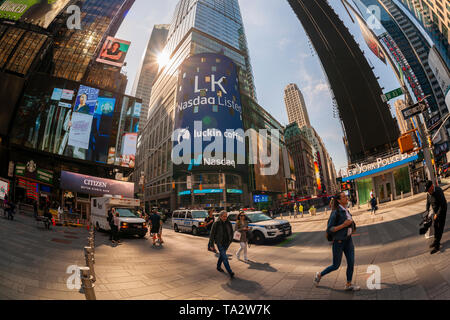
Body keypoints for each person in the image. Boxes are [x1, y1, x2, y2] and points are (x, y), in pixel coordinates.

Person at [314, 192, 360, 291]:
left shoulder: (346, 210)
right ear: (339, 200)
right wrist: (343, 225)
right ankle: (320, 274)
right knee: (335, 265)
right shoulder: (336, 212)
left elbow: (350, 222)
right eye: (343, 197)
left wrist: (352, 228)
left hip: (348, 240)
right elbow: (329, 229)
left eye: (346, 196)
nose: (346, 197)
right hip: (338, 242)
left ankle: (348, 284)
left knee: (351, 262)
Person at [209, 211, 234, 279]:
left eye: (226, 216)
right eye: (224, 216)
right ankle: (230, 272)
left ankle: (218, 266)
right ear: (220, 216)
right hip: (220, 242)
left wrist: (231, 240)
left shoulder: (228, 223)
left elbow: (231, 231)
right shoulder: (216, 223)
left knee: (222, 255)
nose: (225, 218)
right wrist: (211, 244)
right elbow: (212, 234)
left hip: (227, 243)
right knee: (225, 257)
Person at [425, 181, 447, 254]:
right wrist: (427, 212)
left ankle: (437, 246)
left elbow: (442, 205)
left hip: (442, 210)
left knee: (440, 227)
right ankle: (435, 241)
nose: (428, 192)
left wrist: (437, 214)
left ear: (432, 187)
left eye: (428, 190)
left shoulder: (438, 191)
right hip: (435, 210)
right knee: (435, 226)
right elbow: (428, 203)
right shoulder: (428, 193)